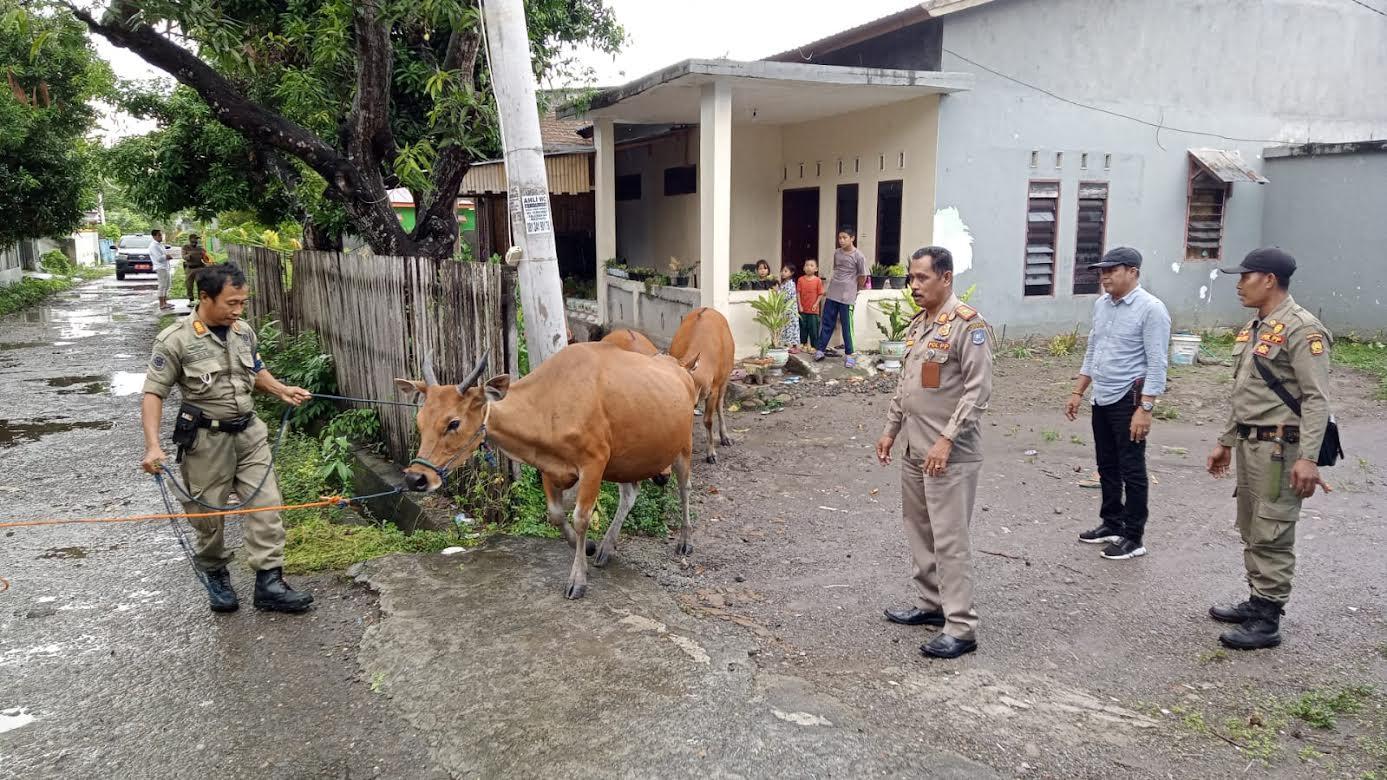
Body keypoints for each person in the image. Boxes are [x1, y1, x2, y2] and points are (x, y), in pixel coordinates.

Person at [140, 264, 316, 614]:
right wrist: (153, 445)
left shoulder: (243, 332)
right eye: (231, 303)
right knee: (207, 516)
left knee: (267, 506)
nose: (237, 310)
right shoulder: (176, 339)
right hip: (206, 440)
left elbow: (256, 369)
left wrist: (280, 389)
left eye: (242, 303)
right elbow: (153, 393)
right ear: (205, 297)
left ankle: (269, 582)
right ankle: (215, 572)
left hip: (249, 434)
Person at [1206, 248, 1334, 650]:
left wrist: (1309, 458)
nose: (1239, 284)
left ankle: (1268, 618)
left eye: (1246, 276)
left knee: (1273, 528)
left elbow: (1316, 399)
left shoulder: (1302, 329)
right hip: (1250, 443)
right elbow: (1244, 390)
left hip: (1282, 448)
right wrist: (1226, 441)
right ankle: (1257, 598)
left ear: (1270, 280)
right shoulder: (1258, 326)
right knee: (1251, 525)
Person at [876, 246, 993, 659]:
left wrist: (946, 439)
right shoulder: (919, 325)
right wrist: (891, 430)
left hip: (950, 453)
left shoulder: (967, 325)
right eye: (911, 278)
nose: (914, 285)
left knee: (950, 539)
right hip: (914, 448)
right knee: (919, 530)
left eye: (922, 278)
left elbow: (979, 391)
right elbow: (906, 385)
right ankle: (932, 605)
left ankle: (961, 627)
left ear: (945, 278)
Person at [1064, 247, 1171, 561]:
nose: (1105, 276)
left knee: (1132, 468)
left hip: (1130, 398)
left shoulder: (1152, 309)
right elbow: (1092, 349)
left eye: (1112, 270)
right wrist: (1078, 391)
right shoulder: (1102, 305)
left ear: (1133, 272)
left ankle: (1133, 536)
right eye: (1102, 270)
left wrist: (1146, 408)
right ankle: (1111, 523)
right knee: (1106, 464)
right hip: (1102, 395)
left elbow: (1157, 363)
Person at [816, 230, 868, 368]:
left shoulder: (859, 256)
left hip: (847, 295)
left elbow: (862, 276)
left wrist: (855, 289)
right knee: (827, 322)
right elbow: (836, 269)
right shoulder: (837, 253)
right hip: (833, 292)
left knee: (847, 326)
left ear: (852, 238)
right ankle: (820, 349)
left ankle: (850, 355)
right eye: (840, 238)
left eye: (845, 237)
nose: (841, 240)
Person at [796, 257, 825, 352]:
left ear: (816, 269)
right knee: (803, 328)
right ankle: (803, 344)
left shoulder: (818, 281)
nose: (809, 267)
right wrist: (799, 305)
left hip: (813, 310)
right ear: (804, 268)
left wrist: (816, 304)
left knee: (814, 329)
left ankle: (814, 346)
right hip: (803, 309)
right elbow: (798, 293)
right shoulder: (800, 280)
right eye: (807, 265)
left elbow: (821, 294)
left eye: (811, 265)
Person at [182, 233, 212, 304]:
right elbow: (184, 256)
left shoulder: (200, 249)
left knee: (200, 284)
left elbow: (205, 259)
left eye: (197, 239)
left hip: (199, 268)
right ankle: (191, 300)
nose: (196, 240)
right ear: (190, 239)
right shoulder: (185, 247)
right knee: (189, 285)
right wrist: (189, 255)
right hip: (190, 269)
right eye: (194, 239)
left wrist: (207, 259)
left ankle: (200, 300)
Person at [777, 262, 800, 351]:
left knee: (792, 327)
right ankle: (788, 345)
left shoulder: (790, 284)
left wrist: (777, 292)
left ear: (791, 273)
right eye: (782, 271)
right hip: (785, 310)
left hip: (790, 310)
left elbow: (786, 297)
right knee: (786, 327)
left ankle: (795, 346)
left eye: (786, 271)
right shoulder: (783, 284)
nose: (783, 273)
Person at [149, 229, 173, 310]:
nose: (161, 236)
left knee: (167, 285)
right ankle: (161, 304)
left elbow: (163, 255)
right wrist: (167, 256)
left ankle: (165, 302)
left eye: (161, 235)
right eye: (159, 235)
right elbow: (159, 258)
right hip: (160, 267)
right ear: (154, 236)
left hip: (165, 267)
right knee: (162, 285)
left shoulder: (160, 245)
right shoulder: (153, 246)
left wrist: (167, 256)